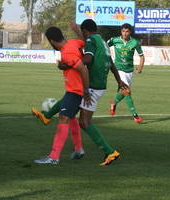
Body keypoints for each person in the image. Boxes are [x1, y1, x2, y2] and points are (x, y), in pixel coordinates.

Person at [72, 19, 128, 166]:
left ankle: (110, 152)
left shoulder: (91, 39)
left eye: (82, 33)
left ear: (85, 31)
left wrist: (73, 63)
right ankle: (48, 115)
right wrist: (118, 80)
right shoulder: (101, 41)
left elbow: (88, 58)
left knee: (84, 122)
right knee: (71, 105)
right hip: (100, 85)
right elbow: (111, 64)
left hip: (92, 86)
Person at [33, 26, 91, 165]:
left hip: (76, 91)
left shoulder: (67, 53)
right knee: (70, 119)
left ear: (52, 40)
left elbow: (82, 70)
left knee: (63, 119)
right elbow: (87, 43)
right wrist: (78, 32)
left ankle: (54, 156)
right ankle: (78, 149)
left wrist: (86, 90)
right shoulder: (73, 42)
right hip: (73, 89)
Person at [107, 23, 145, 123]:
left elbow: (141, 56)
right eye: (123, 31)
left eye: (127, 31)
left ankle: (113, 102)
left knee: (123, 92)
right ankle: (135, 116)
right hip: (118, 69)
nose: (125, 33)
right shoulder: (114, 40)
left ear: (130, 32)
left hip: (129, 71)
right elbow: (104, 46)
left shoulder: (134, 42)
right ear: (121, 31)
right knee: (127, 91)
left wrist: (140, 67)